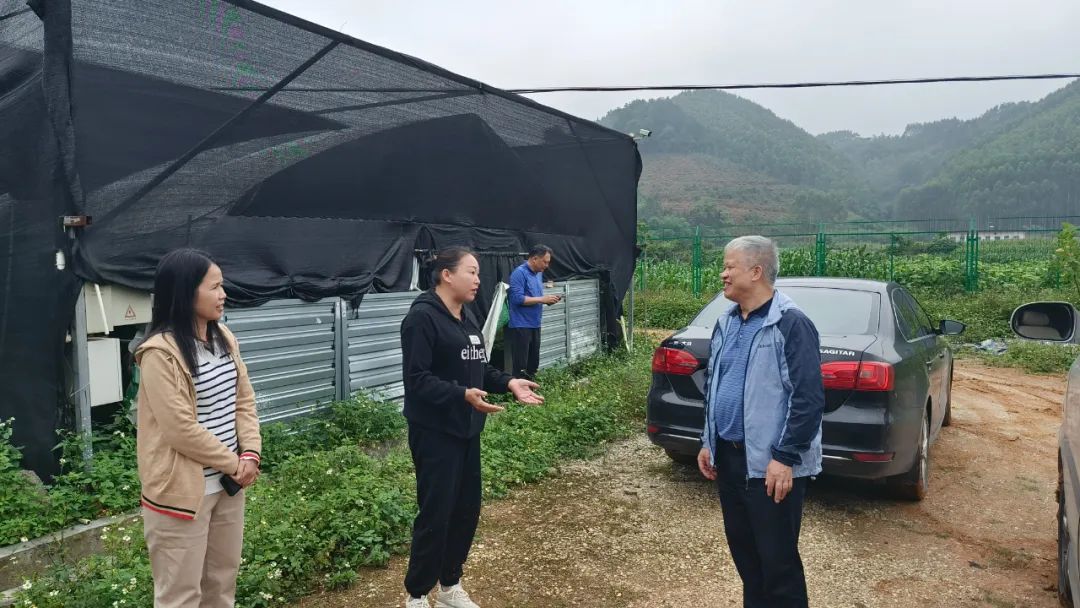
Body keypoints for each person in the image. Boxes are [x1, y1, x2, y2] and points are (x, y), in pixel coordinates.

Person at [401, 247, 545, 608]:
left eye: (478, 273)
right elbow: (417, 380)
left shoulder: (466, 318)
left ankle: (449, 587)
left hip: (467, 431)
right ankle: (416, 594)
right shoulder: (422, 318)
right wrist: (461, 394)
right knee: (436, 513)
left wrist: (509, 382)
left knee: (465, 510)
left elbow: (479, 368)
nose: (479, 280)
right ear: (447, 275)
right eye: (472, 272)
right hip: (435, 432)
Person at [696, 236, 825, 608]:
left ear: (755, 272)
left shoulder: (791, 324)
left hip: (771, 466)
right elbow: (717, 385)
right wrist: (708, 441)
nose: (722, 274)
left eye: (729, 267)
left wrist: (785, 457)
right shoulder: (727, 322)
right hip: (731, 459)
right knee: (747, 561)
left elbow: (808, 398)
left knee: (778, 565)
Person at [135, 249, 262, 608]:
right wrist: (234, 463)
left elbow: (244, 401)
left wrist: (250, 453)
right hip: (182, 494)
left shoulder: (224, 338)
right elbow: (180, 429)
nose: (223, 294)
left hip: (228, 487)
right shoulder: (159, 353)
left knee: (221, 586)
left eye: (222, 286)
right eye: (215, 287)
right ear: (185, 292)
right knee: (180, 596)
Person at [506, 245, 559, 379]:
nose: (547, 266)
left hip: (535, 324)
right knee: (521, 366)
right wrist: (542, 299)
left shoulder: (538, 274)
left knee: (533, 364)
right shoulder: (519, 273)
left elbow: (534, 297)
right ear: (535, 259)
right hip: (521, 325)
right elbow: (517, 298)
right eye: (545, 262)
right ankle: (517, 391)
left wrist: (547, 301)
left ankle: (531, 389)